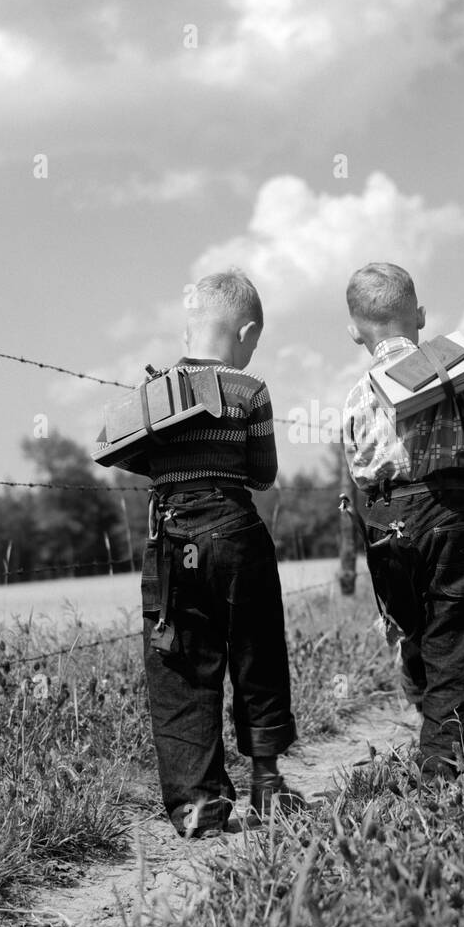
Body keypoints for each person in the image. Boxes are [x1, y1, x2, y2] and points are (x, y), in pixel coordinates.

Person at [134, 269, 303, 836]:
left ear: (188, 330)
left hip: (169, 540)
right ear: (246, 331)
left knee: (179, 665)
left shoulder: (152, 395)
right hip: (235, 533)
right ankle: (268, 785)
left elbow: (138, 461)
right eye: (255, 341)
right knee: (257, 654)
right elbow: (262, 473)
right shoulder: (250, 391)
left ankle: (197, 805)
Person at [341, 263, 464, 779]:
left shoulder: (355, 394)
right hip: (448, 511)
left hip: (386, 520)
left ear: (355, 331)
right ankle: (446, 765)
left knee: (408, 626)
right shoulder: (451, 368)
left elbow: (356, 464)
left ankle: (422, 692)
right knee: (456, 634)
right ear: (418, 313)